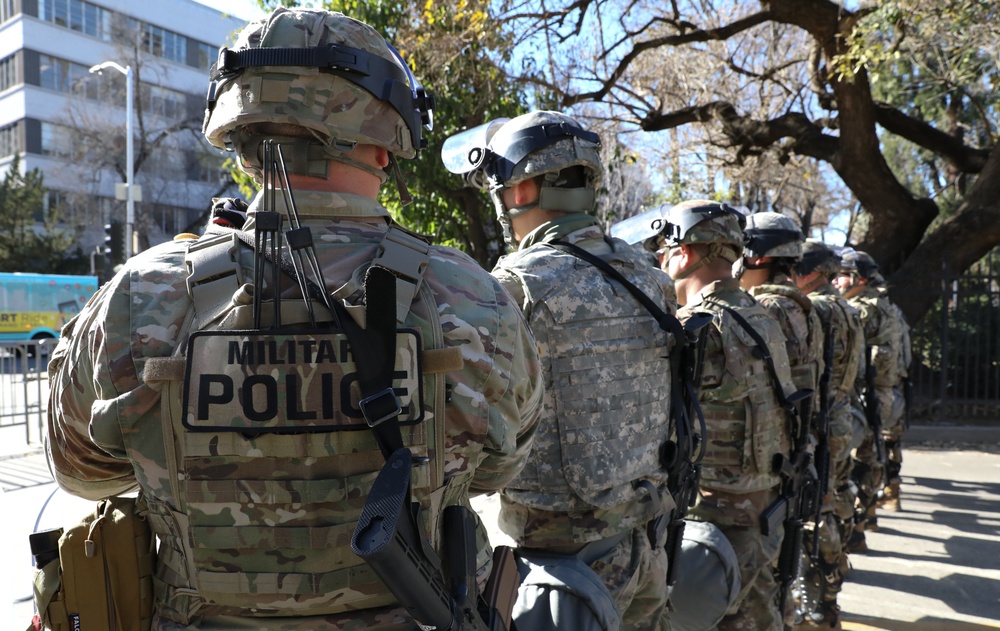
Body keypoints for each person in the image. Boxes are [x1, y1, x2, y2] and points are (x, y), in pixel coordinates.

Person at [45, 7, 543, 630]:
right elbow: (499, 466)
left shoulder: (141, 294)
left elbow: (83, 473)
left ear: (240, 130)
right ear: (386, 134)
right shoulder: (472, 296)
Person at [464, 110, 678, 630]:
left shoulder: (514, 286)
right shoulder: (651, 280)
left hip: (554, 568)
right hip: (642, 549)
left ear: (520, 191)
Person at [658, 200, 798, 631]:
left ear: (684, 253)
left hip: (714, 516)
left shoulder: (696, 326)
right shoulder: (761, 315)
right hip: (764, 502)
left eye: (665, 248)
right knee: (756, 614)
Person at [791, 239, 864, 630]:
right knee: (832, 501)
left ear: (813, 272)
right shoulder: (845, 307)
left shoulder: (817, 308)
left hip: (820, 421)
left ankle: (818, 604)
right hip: (840, 415)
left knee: (815, 513)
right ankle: (830, 595)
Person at [835, 249, 907, 550]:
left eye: (843, 274)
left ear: (859, 279)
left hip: (867, 393)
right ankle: (865, 520)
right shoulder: (885, 305)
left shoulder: (861, 309)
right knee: (872, 458)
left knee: (858, 462)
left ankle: (854, 527)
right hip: (884, 391)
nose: (837, 280)